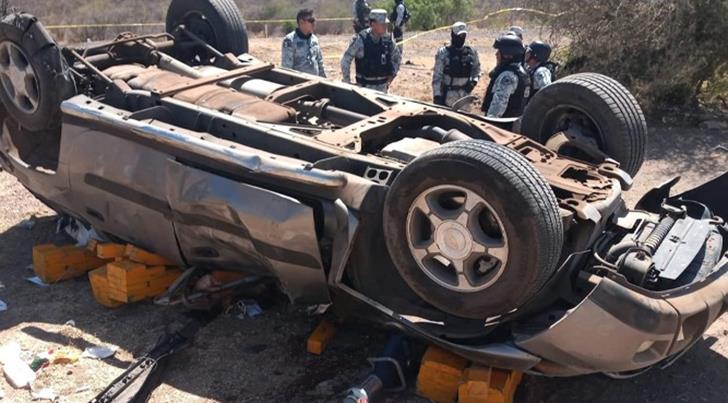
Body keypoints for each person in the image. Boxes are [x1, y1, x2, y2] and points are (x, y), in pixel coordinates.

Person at [341, 9, 402, 93]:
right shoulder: (361, 40)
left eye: (386, 24)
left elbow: (397, 58)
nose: (385, 26)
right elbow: (346, 59)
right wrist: (347, 81)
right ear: (373, 24)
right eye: (382, 24)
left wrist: (392, 76)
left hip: (383, 89)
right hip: (364, 90)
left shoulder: (388, 39)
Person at [432, 22, 481, 110]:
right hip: (448, 95)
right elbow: (437, 76)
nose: (461, 38)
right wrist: (437, 95)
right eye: (459, 36)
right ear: (453, 35)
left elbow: (477, 70)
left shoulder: (471, 52)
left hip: (464, 96)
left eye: (463, 36)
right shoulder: (444, 53)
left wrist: (473, 82)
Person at [481, 33, 528, 118]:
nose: (496, 54)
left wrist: (489, 122)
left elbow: (498, 105)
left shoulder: (508, 76)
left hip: (501, 125)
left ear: (507, 54)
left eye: (499, 51)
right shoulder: (521, 71)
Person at [281, 9, 326, 77]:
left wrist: (324, 80)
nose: (314, 23)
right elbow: (287, 68)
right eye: (311, 20)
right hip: (299, 84)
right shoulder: (290, 40)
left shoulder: (314, 40)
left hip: (315, 82)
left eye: (314, 20)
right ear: (301, 22)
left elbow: (320, 63)